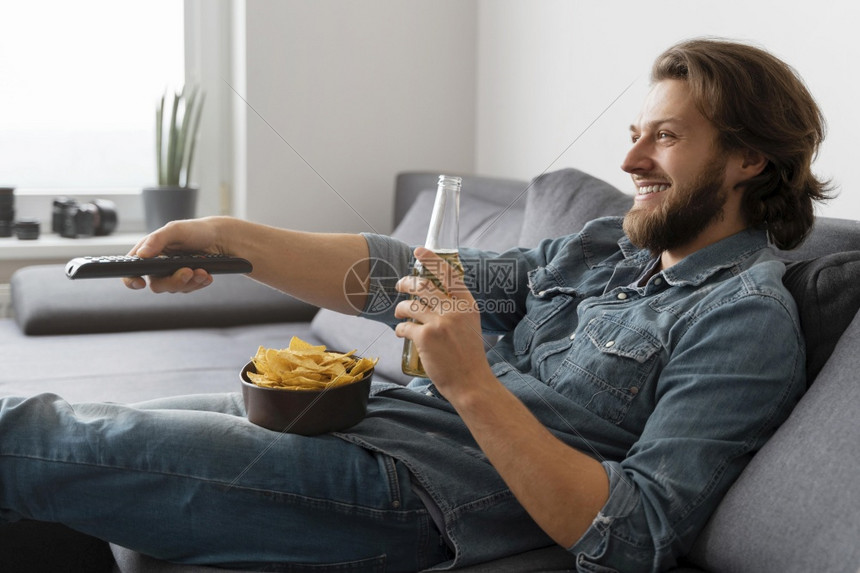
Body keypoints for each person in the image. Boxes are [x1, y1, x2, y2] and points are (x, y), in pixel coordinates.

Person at [0, 38, 831, 572]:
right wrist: (226, 236)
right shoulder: (607, 248)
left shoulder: (741, 319)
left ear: (749, 157)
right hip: (371, 423)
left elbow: (635, 533)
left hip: (411, 494)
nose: (631, 157)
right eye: (637, 131)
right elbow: (407, 272)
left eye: (666, 137)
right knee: (69, 433)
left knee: (40, 438)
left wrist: (472, 380)